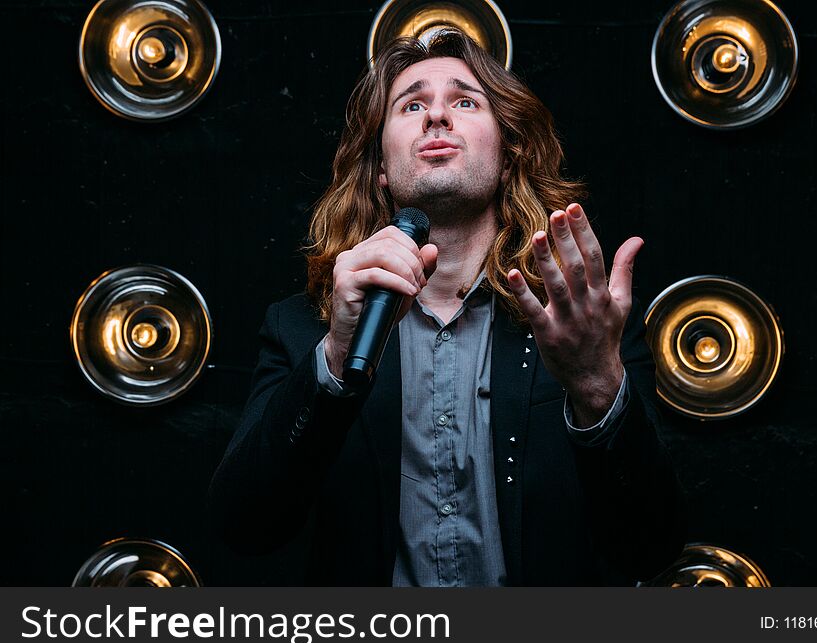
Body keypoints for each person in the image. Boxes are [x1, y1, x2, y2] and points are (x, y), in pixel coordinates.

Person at [208, 29, 687, 586]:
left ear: (509, 156)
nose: (437, 116)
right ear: (381, 169)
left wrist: (594, 382)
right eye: (411, 104)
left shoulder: (580, 320)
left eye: (465, 101)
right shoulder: (300, 330)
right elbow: (244, 528)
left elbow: (651, 547)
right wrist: (336, 359)